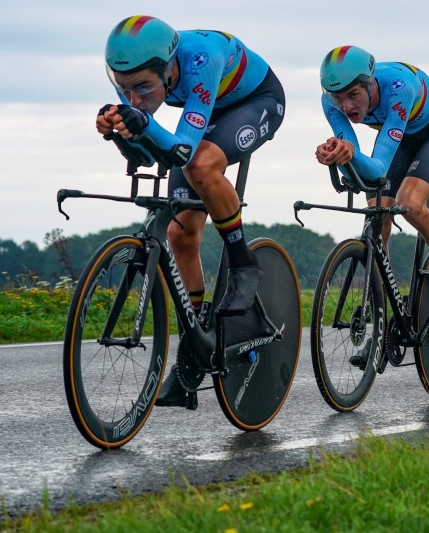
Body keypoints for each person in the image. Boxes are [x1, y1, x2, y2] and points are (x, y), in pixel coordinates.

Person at [97, 16, 285, 407]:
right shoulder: (146, 78)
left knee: (200, 164)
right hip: (208, 111)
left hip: (255, 102)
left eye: (144, 87)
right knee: (180, 235)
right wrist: (121, 133)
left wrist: (143, 124)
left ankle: (243, 263)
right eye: (124, 89)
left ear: (169, 69)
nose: (133, 98)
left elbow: (181, 150)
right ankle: (193, 349)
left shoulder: (201, 59)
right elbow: (152, 157)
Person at [315, 46, 429, 368]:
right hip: (400, 137)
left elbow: (378, 166)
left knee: (409, 203)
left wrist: (350, 155)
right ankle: (383, 327)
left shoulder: (398, 88)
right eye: (339, 98)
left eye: (354, 95)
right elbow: (353, 157)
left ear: (370, 84)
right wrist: (337, 155)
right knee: (376, 217)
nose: (347, 106)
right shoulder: (332, 102)